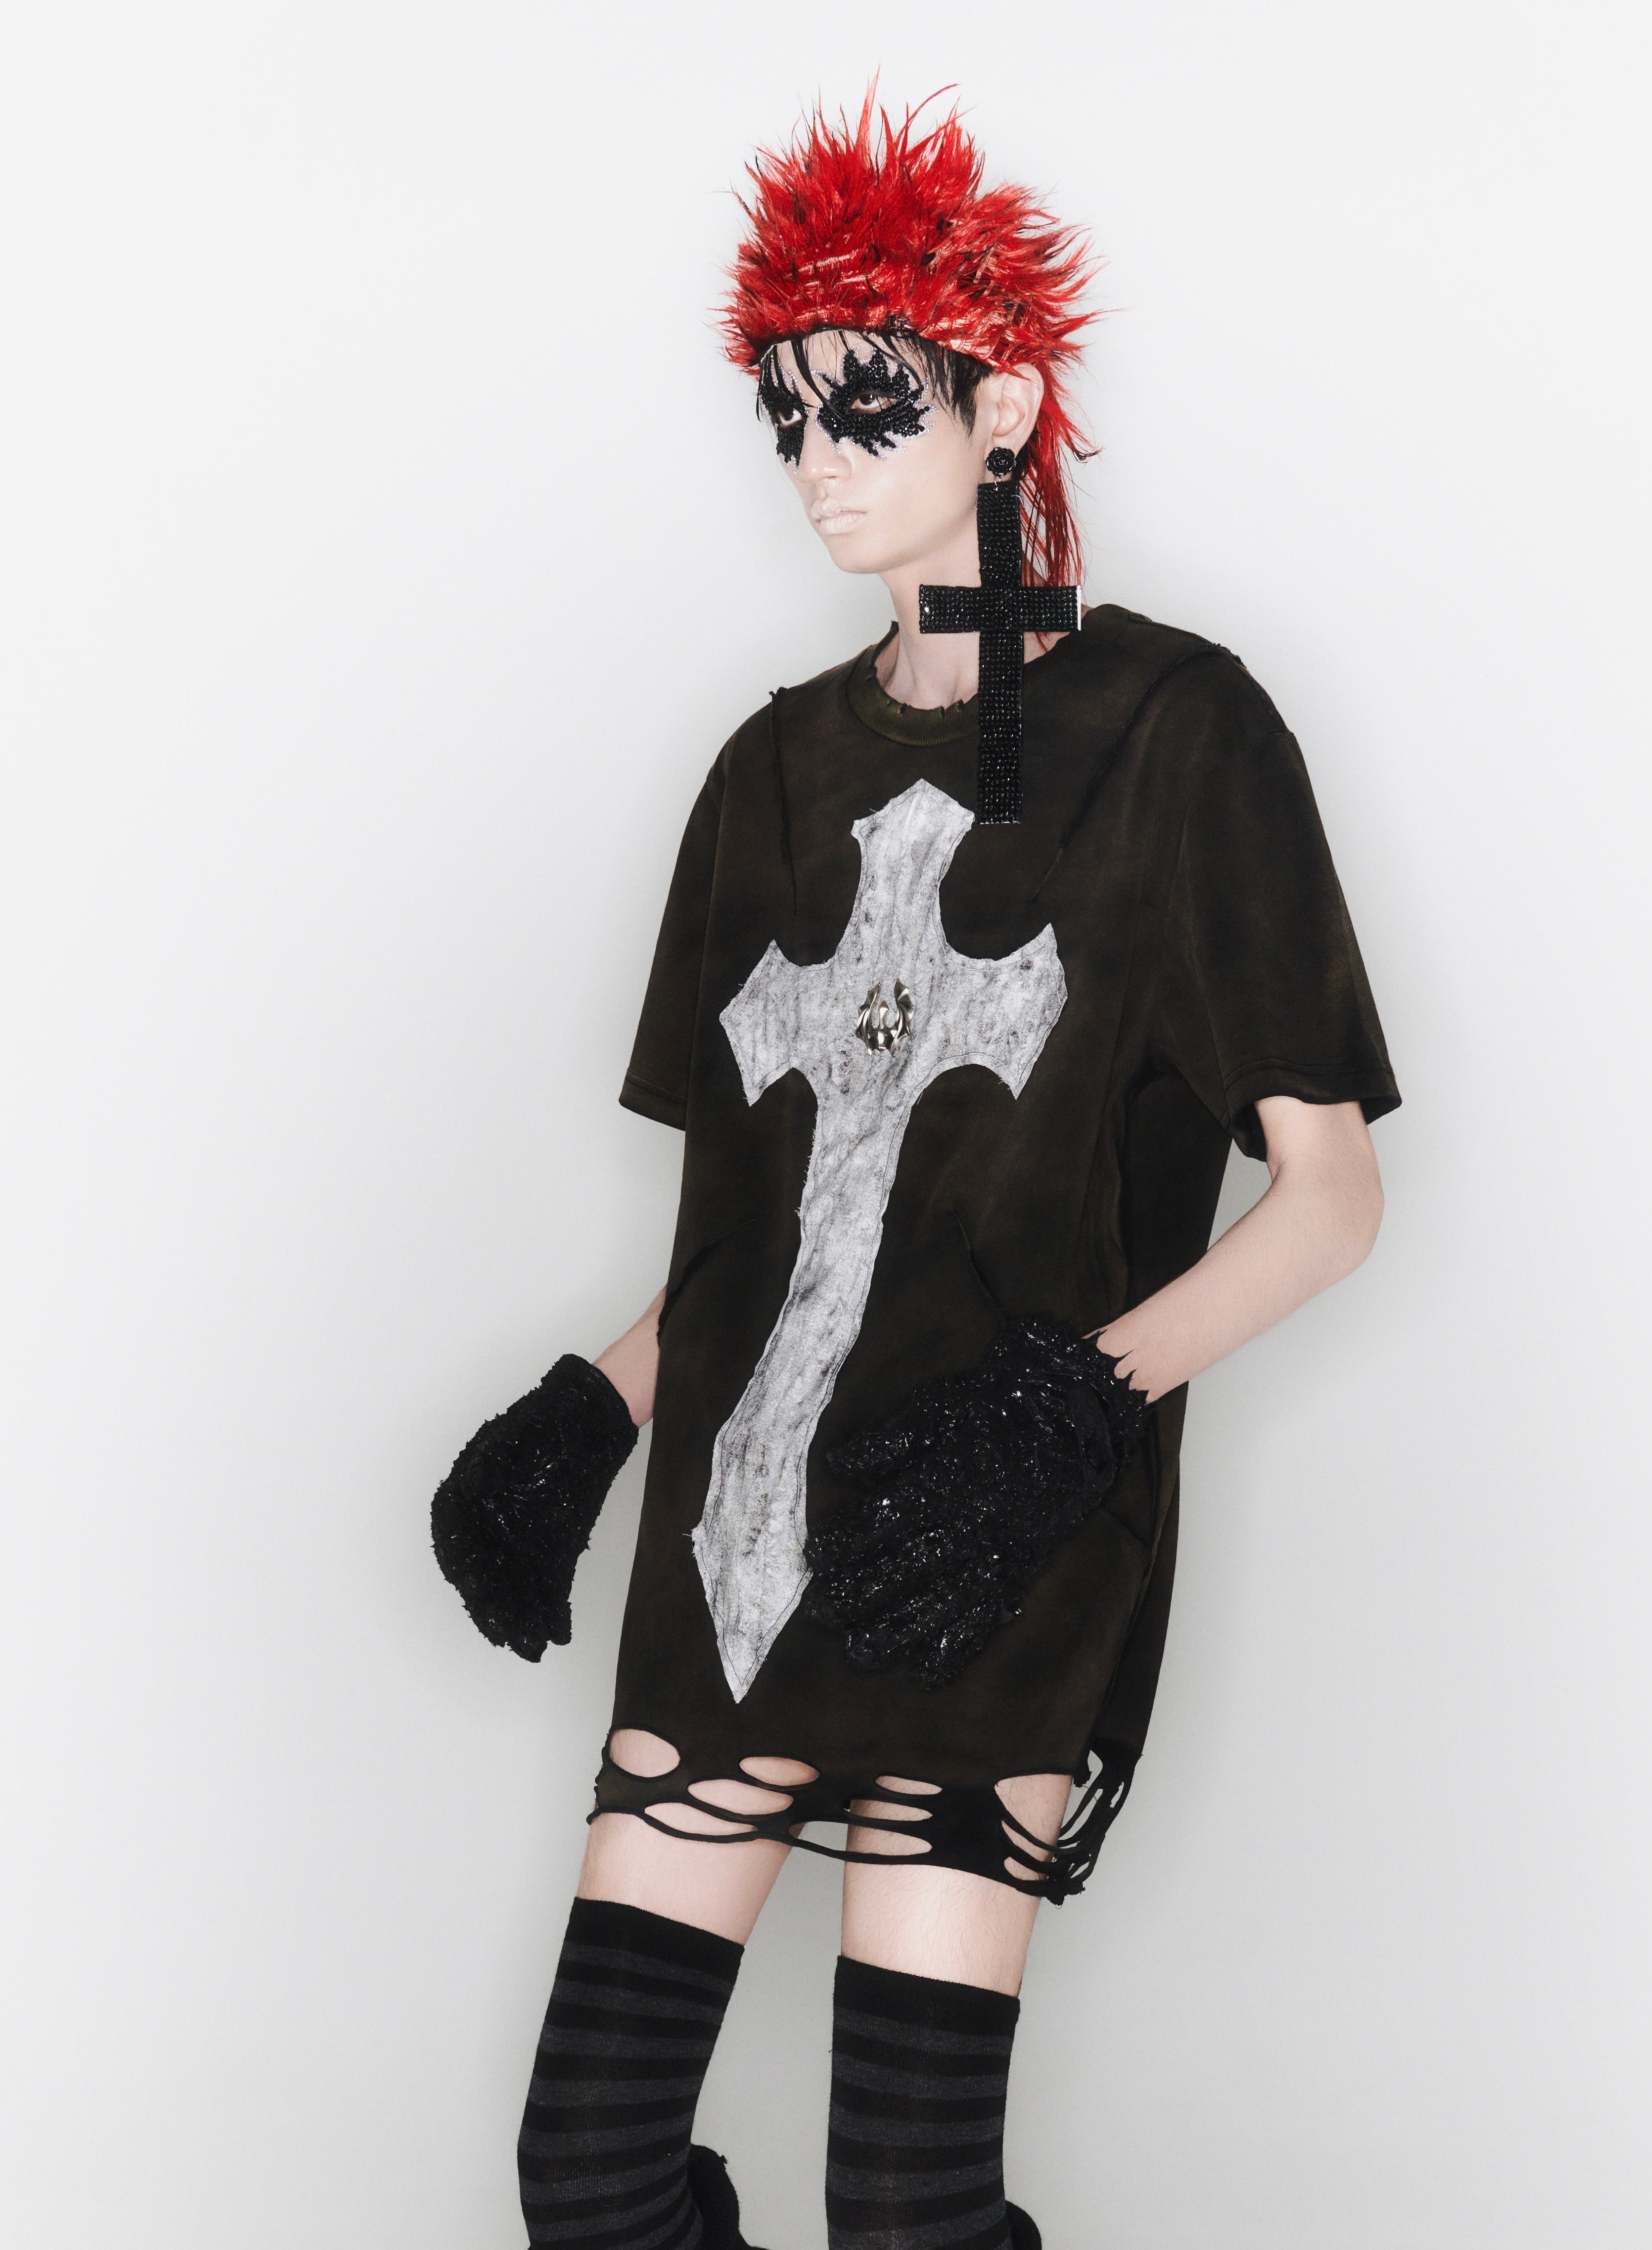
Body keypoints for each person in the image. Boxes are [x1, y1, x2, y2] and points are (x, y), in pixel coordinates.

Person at [432, 77, 1402, 2250]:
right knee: (588, 2172)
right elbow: (763, 1230)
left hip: (994, 1538)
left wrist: (1075, 1405)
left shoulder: (1183, 735)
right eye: (786, 414)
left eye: (869, 405)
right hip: (741, 1539)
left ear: (1007, 405)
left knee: (905, 2209)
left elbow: (1331, 1198)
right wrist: (595, 1411)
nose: (817, 460)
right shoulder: (768, 772)